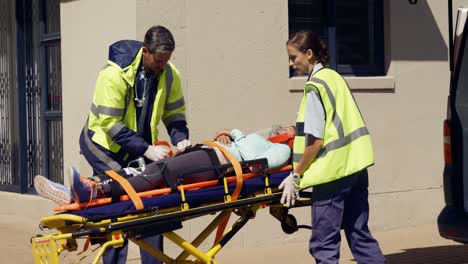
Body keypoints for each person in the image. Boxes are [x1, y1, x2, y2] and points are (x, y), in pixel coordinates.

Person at [78, 25, 190, 264]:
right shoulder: (113, 75)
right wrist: (147, 150)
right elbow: (110, 124)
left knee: (151, 204)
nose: (163, 66)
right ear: (145, 52)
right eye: (159, 60)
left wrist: (181, 138)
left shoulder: (169, 74)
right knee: (117, 202)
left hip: (137, 146)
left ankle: (153, 261)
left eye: (167, 60)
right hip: (104, 146)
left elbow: (174, 112)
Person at [279, 31, 385, 264]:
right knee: (360, 236)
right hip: (356, 169)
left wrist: (296, 176)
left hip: (332, 175)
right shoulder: (334, 77)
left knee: (324, 244)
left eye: (293, 57)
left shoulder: (314, 87)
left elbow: (316, 141)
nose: (290, 63)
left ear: (309, 54)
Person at [34, 125, 295, 205]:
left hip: (219, 163)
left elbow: (259, 157)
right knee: (145, 167)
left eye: (289, 128)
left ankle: (96, 191)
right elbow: (237, 136)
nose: (284, 127)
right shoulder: (263, 139)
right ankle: (86, 188)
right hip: (210, 154)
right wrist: (228, 133)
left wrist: (236, 137)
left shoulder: (281, 150)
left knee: (161, 171)